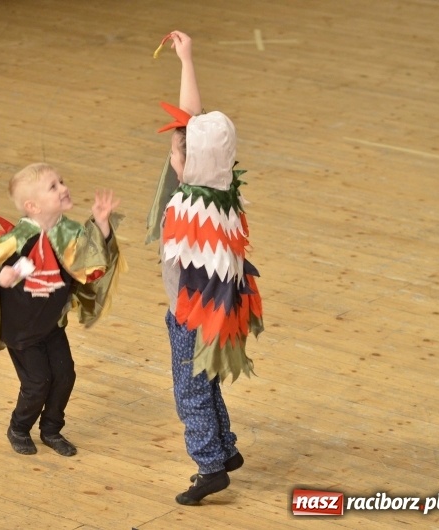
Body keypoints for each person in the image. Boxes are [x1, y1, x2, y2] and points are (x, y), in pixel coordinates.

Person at [147, 30, 264, 505]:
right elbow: (192, 123)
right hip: (224, 312)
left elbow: (187, 135)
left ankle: (209, 466)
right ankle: (227, 449)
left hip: (192, 315)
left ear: (189, 165)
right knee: (208, 378)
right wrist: (186, 60)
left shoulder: (186, 214)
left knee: (189, 390)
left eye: (176, 152)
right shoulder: (223, 194)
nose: (171, 156)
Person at [0, 162, 124, 457]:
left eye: (62, 182)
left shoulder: (69, 233)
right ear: (33, 206)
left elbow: (91, 265)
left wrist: (102, 224)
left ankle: (51, 429)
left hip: (52, 325)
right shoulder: (18, 238)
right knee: (37, 382)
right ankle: (19, 427)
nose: (64, 188)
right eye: (54, 186)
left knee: (65, 376)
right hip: (22, 330)